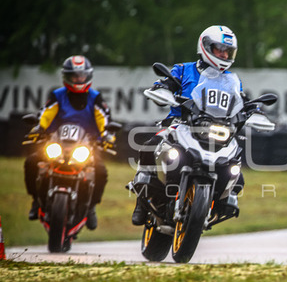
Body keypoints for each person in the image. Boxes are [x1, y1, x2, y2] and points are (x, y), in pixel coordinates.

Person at [130, 25, 243, 225]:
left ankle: (218, 204)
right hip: (180, 124)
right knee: (149, 145)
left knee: (236, 173)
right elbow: (168, 82)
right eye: (220, 49)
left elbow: (241, 100)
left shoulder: (231, 80)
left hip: (216, 131)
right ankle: (141, 201)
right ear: (205, 46)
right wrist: (162, 88)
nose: (224, 55)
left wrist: (255, 110)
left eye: (228, 51)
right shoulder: (183, 69)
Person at [24, 55, 113, 230]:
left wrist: (107, 137)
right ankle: (36, 200)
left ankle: (91, 207)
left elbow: (104, 120)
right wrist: (38, 128)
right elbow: (46, 114)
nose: (78, 79)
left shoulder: (95, 98)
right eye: (74, 76)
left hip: (86, 147)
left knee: (100, 171)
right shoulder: (57, 95)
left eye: (82, 75)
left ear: (88, 76)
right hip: (56, 144)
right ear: (66, 76)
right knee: (31, 162)